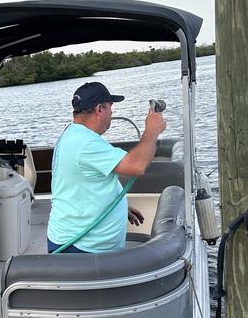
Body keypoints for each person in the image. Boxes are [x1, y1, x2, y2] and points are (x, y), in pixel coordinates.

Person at [47, 81, 166, 253]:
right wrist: (151, 132)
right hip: (79, 249)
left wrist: (118, 205)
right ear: (100, 109)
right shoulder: (85, 143)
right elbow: (137, 166)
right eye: (110, 106)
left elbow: (85, 183)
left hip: (79, 243)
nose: (112, 112)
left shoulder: (74, 134)